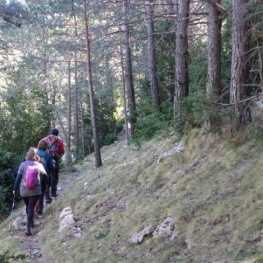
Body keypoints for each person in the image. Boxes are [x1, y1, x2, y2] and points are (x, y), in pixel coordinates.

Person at [13, 147, 47, 236]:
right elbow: (45, 176)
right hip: (36, 190)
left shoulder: (22, 165)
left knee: (28, 207)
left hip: (24, 191)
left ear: (28, 154)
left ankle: (30, 223)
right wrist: (47, 185)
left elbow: (18, 178)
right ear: (36, 155)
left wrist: (14, 189)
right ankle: (28, 227)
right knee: (31, 207)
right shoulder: (39, 165)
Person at [43, 128, 65, 197]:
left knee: (46, 176)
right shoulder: (59, 141)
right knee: (54, 176)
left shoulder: (44, 139)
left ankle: (46, 195)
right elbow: (62, 152)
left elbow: (39, 149)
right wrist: (57, 157)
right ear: (57, 134)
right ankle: (53, 192)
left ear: (50, 133)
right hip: (54, 159)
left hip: (45, 159)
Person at [36, 139, 55, 216]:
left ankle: (32, 210)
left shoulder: (33, 154)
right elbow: (51, 168)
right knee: (41, 193)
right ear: (46, 147)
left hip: (33, 177)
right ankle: (39, 210)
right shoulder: (47, 155)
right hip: (43, 177)